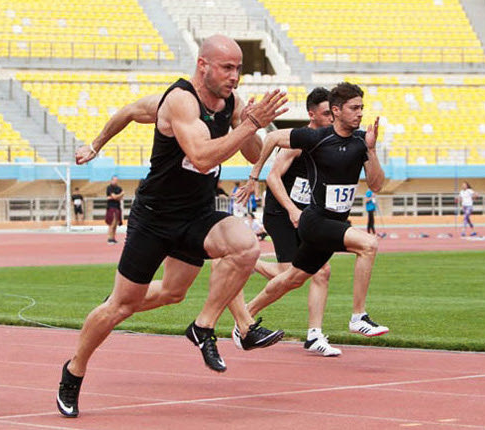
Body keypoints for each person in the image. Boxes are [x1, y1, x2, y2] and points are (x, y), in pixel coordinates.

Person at [57, 34, 287, 418]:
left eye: (239, 69)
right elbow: (197, 155)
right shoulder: (180, 101)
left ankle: (203, 327)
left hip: (196, 214)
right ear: (203, 66)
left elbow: (249, 149)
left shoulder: (231, 103)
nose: (235, 77)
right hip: (155, 218)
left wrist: (252, 130)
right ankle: (74, 369)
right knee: (122, 305)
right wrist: (95, 145)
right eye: (227, 68)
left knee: (244, 247)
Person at [238, 82, 389, 344]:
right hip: (314, 221)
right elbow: (273, 138)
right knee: (369, 244)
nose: (360, 113)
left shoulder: (362, 142)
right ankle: (358, 316)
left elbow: (376, 184)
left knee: (292, 279)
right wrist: (253, 177)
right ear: (336, 111)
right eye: (354, 108)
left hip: (335, 222)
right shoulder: (317, 138)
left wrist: (372, 151)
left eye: (362, 108)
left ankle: (245, 320)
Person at [241, 87, 342, 356]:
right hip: (281, 213)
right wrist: (292, 210)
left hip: (306, 215)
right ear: (312, 115)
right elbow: (273, 177)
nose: (332, 117)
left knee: (322, 271)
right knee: (291, 275)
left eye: (333, 112)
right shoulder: (298, 140)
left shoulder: (328, 141)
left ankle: (315, 335)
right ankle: (250, 272)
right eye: (325, 113)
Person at [105, 176, 124, 244]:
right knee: (111, 223)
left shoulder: (119, 188)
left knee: (116, 224)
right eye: (114, 180)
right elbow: (115, 196)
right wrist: (120, 194)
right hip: (111, 207)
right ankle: (109, 238)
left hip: (117, 207)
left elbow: (119, 198)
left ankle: (113, 238)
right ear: (111, 180)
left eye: (116, 180)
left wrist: (115, 197)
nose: (115, 181)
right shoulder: (109, 188)